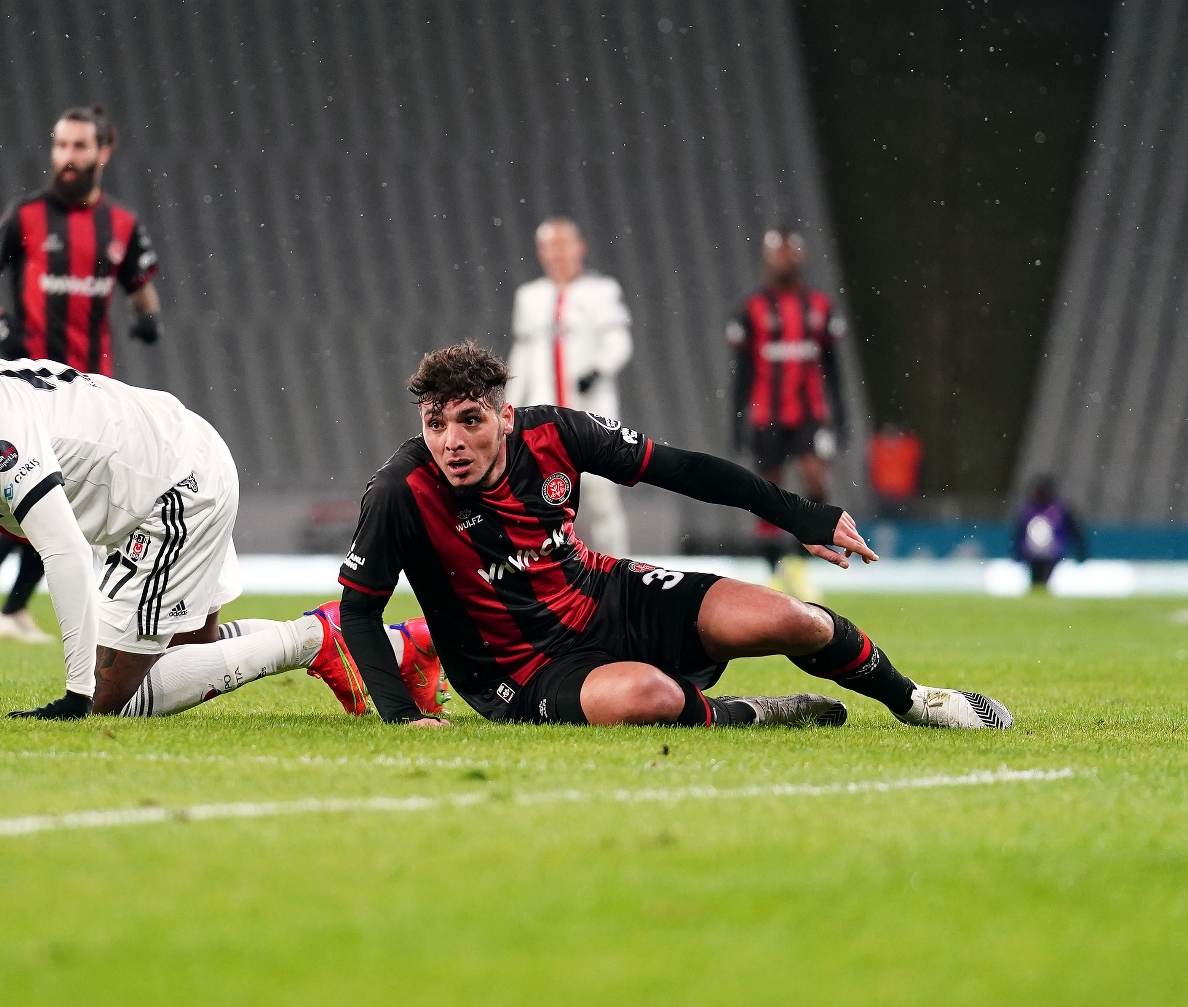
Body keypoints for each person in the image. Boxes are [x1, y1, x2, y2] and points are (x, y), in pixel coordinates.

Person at [0, 300, 422, 720]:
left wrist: (76, 691)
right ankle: (384, 648)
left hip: (173, 483)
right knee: (187, 647)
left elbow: (61, 549)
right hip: (155, 458)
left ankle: (316, 636)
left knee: (119, 697)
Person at [335, 341, 1012, 731]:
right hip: (519, 670)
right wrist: (401, 716)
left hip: (607, 595)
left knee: (794, 620)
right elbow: (360, 609)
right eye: (436, 424)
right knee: (646, 698)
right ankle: (754, 714)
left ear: (505, 416)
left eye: (469, 420)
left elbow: (682, 469)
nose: (452, 441)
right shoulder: (400, 491)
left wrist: (801, 515)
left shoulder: (554, 433)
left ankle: (916, 701)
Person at [0, 105, 163, 644]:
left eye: (78, 147)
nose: (66, 158)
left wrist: (148, 317)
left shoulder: (121, 225)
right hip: (32, 383)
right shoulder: (27, 216)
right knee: (54, 493)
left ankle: (6, 592)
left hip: (92, 386)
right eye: (60, 146)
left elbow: (140, 283)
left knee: (66, 500)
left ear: (103, 152)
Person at [507, 217, 634, 556]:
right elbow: (522, 354)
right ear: (541, 252)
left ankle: (619, 573)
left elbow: (620, 341)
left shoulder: (601, 291)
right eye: (551, 245)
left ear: (580, 247)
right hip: (543, 418)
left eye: (564, 244)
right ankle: (548, 578)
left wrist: (597, 370)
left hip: (591, 416)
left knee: (601, 497)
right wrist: (509, 403)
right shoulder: (530, 297)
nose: (558, 253)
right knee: (538, 499)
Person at [726, 226, 847, 559]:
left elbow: (833, 368)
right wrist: (737, 422)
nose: (781, 261)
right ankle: (772, 563)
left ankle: (804, 553)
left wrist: (841, 416)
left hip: (810, 412)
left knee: (816, 478)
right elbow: (742, 373)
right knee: (770, 489)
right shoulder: (752, 309)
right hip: (768, 412)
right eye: (775, 254)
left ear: (800, 256)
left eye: (787, 253)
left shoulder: (820, 306)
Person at [1013, 476, 1087, 586]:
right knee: (1035, 579)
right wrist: (1017, 552)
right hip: (1031, 553)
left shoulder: (1060, 509)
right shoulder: (1028, 509)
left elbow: (1075, 531)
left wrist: (1081, 551)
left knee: (1044, 578)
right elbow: (1019, 533)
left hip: (1052, 553)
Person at [867, 422, 924, 518]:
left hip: (904, 493)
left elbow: (919, 467)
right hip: (883, 493)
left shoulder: (909, 446)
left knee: (903, 520)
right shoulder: (878, 445)